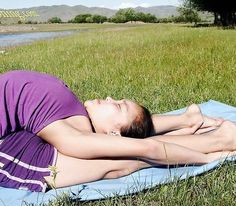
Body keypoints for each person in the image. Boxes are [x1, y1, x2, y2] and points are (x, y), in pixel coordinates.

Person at [0, 70, 235, 192]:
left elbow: (146, 147)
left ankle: (214, 137)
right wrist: (204, 156)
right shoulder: (73, 119)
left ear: (112, 135)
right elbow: (141, 143)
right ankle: (192, 124)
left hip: (8, 145)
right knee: (119, 158)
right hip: (13, 138)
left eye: (119, 104)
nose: (110, 97)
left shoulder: (73, 126)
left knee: (118, 161)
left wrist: (207, 157)